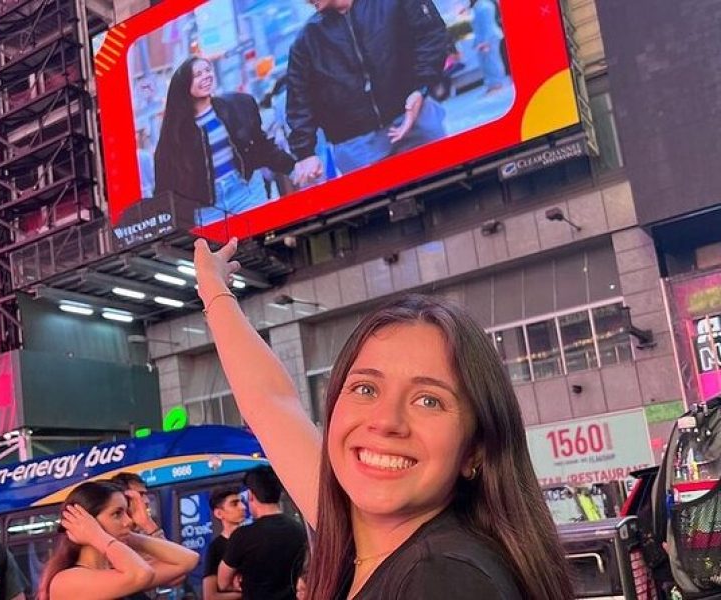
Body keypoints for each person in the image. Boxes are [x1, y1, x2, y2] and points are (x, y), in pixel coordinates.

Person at [193, 237, 574, 599]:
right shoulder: (365, 542)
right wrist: (213, 289)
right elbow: (271, 402)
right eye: (365, 389)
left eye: (428, 400)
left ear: (474, 451)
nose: (385, 421)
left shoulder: (440, 576)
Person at [288, 0, 448, 185]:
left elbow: (432, 36)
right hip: (357, 146)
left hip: (415, 120)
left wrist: (420, 90)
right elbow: (298, 100)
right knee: (377, 210)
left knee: (445, 190)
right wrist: (305, 153)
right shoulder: (307, 40)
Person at [153, 57, 295, 226]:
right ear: (185, 84)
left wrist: (293, 167)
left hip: (247, 190)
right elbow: (166, 181)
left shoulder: (238, 105)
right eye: (198, 74)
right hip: (209, 209)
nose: (206, 76)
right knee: (224, 252)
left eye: (208, 70)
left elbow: (261, 146)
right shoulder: (175, 132)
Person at [38, 481, 199, 600]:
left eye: (126, 513)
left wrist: (129, 536)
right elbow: (141, 574)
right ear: (88, 521)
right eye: (117, 514)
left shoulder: (117, 571)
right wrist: (98, 536)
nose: (129, 521)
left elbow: (187, 560)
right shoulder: (66, 581)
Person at [217, 468, 306, 600]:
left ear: (251, 495)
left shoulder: (242, 536)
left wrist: (239, 581)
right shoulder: (299, 530)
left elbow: (222, 583)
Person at [202, 487, 246, 600]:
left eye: (242, 502)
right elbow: (210, 596)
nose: (242, 507)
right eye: (234, 504)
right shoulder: (215, 548)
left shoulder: (254, 538)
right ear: (219, 513)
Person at [109, 472, 164, 539]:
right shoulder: (116, 534)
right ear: (125, 498)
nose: (147, 501)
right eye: (140, 494)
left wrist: (147, 524)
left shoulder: (142, 532)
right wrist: (148, 525)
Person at [470, 0, 506, 94]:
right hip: (484, 38)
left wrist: (485, 42)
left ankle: (497, 83)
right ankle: (492, 84)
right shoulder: (480, 5)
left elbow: (487, 25)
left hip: (489, 37)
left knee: (492, 60)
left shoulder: (485, 5)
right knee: (486, 62)